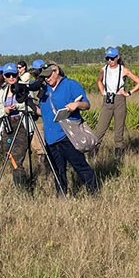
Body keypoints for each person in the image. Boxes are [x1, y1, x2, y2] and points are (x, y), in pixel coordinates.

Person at [39, 61, 99, 194]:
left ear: (57, 71)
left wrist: (76, 105)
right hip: (50, 138)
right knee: (58, 171)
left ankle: (94, 192)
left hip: (67, 135)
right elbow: (42, 112)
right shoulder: (44, 90)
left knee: (80, 166)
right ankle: (62, 196)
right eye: (45, 76)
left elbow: (86, 104)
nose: (47, 79)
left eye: (49, 75)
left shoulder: (70, 85)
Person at [93, 47, 139, 154]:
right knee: (100, 129)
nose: (110, 61)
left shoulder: (123, 70)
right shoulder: (104, 69)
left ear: (117, 57)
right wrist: (103, 92)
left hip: (119, 100)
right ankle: (93, 153)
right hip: (107, 99)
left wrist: (129, 92)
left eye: (112, 58)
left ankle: (118, 155)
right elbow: (99, 80)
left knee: (118, 130)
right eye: (107, 58)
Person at [0, 63, 34, 189]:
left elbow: (31, 106)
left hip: (21, 124)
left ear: (18, 74)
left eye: (14, 74)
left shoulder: (24, 88)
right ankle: (20, 184)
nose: (11, 77)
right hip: (8, 125)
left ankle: (22, 189)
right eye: (8, 75)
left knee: (18, 157)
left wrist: (18, 106)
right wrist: (5, 110)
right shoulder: (3, 90)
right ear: (4, 76)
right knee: (9, 155)